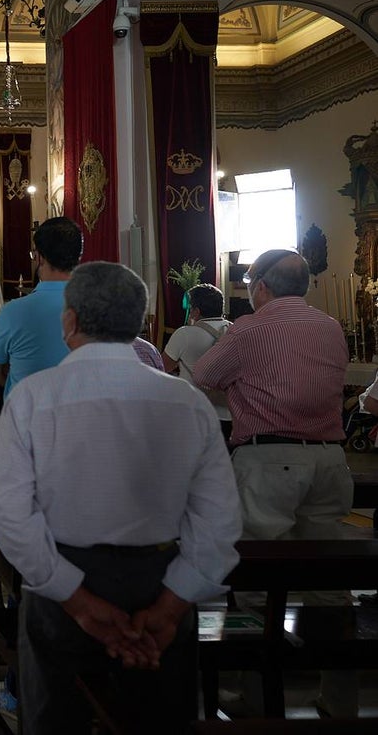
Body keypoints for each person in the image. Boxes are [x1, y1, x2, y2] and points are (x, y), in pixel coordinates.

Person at [0, 261, 241, 734]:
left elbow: (11, 520)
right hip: (161, 578)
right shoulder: (189, 404)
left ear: (70, 320)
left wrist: (79, 603)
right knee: (159, 719)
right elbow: (220, 523)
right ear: (141, 323)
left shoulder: (33, 398)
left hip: (62, 582)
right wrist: (170, 607)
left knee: (56, 720)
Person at [193, 249, 356, 718]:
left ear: (260, 285)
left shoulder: (251, 328)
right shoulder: (329, 327)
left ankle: (258, 697)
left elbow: (205, 375)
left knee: (255, 582)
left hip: (269, 458)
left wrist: (245, 385)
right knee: (330, 582)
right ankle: (339, 699)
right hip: (329, 459)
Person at [0, 216, 83, 397]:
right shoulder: (97, 307)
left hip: (26, 418)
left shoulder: (14, 311)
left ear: (39, 257)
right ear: (78, 256)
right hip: (83, 418)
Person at [162, 283, 232, 440]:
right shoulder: (235, 330)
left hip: (195, 412)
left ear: (196, 311)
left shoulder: (184, 334)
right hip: (229, 413)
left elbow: (162, 367)